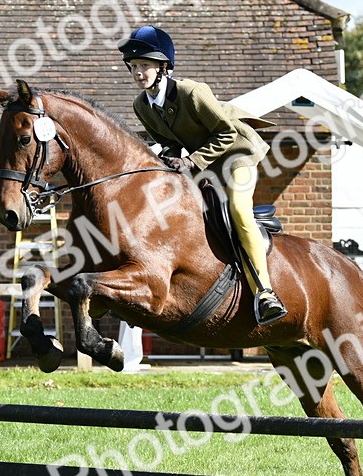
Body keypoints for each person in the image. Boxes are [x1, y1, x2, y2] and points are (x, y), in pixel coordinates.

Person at [117, 25, 287, 325]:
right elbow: (169, 142)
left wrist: (192, 161)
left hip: (237, 155)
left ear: (163, 67)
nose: (138, 72)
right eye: (133, 66)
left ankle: (265, 292)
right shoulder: (141, 105)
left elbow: (226, 133)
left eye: (145, 65)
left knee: (238, 211)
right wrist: (166, 160)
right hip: (204, 164)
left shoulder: (193, 92)